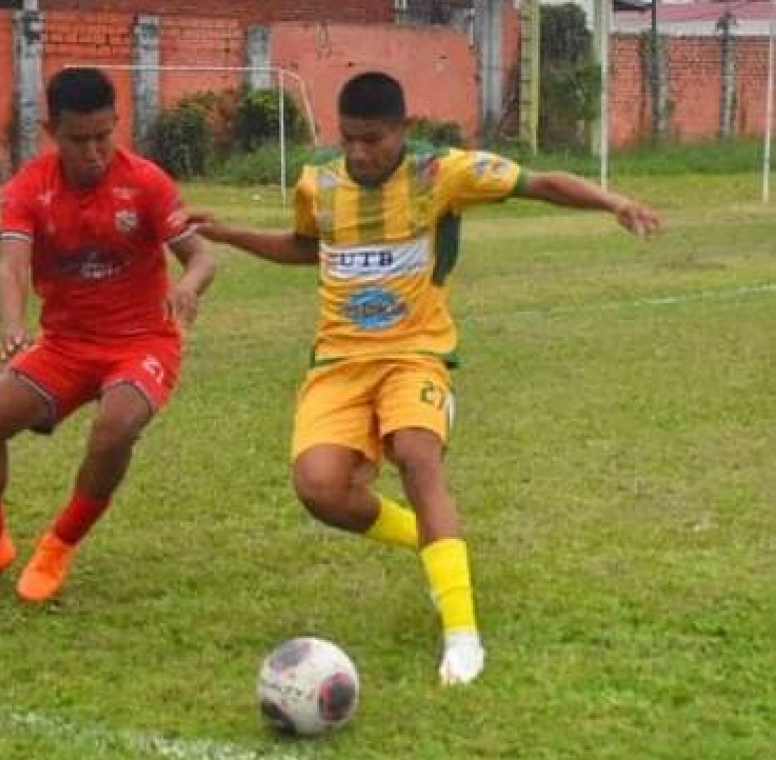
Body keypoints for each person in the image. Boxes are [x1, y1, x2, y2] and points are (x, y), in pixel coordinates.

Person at [191, 71, 660, 685]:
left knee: (417, 456)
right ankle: (433, 540)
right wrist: (227, 233)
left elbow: (538, 183)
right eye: (349, 139)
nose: (359, 153)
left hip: (415, 354)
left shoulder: (443, 175)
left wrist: (614, 202)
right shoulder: (319, 185)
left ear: (405, 129)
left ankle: (463, 638)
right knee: (321, 491)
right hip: (338, 360)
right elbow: (309, 248)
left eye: (374, 139)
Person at [0, 67, 215, 604]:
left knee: (117, 425)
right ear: (51, 130)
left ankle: (58, 545)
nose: (95, 152)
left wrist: (190, 285)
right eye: (79, 139)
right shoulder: (27, 189)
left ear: (116, 124)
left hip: (142, 342)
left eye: (105, 136)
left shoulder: (147, 182)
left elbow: (200, 254)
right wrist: (12, 326)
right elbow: (11, 266)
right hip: (64, 346)